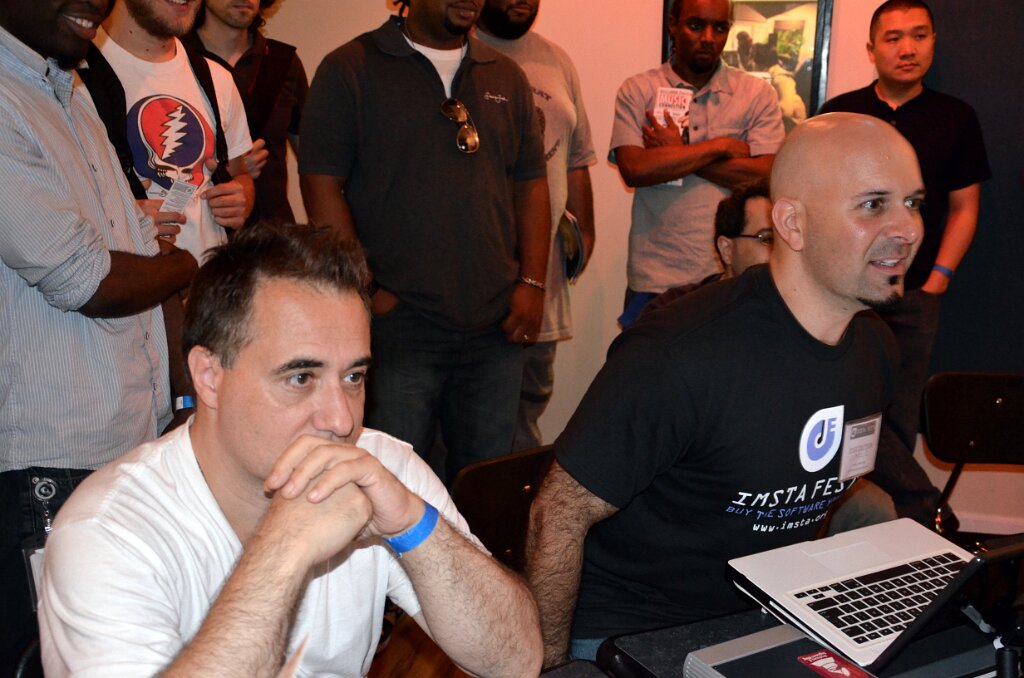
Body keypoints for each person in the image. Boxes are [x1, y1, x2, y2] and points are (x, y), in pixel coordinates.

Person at [38, 223, 543, 677]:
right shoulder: (107, 530)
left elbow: (517, 661)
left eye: (353, 377)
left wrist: (413, 525)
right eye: (301, 377)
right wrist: (283, 551)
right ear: (209, 377)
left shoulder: (380, 466)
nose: (341, 420)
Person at [526, 113, 921, 666]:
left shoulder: (875, 348)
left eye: (913, 203)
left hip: (761, 615)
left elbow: (824, 487)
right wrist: (550, 667)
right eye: (873, 204)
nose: (907, 229)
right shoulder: (680, 354)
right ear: (793, 224)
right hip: (633, 631)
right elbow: (556, 515)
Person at [0, 0, 197, 669]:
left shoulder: (73, 90)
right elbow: (87, 280)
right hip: (42, 461)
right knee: (53, 663)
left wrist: (183, 403)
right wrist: (184, 267)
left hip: (130, 445)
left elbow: (137, 246)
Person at [299, 0, 550, 481]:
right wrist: (367, 290)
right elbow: (321, 183)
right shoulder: (350, 68)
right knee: (390, 484)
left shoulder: (506, 76)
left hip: (495, 329)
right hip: (399, 328)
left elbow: (531, 184)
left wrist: (533, 284)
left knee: (485, 487)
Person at [818, 0, 991, 528]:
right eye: (893, 38)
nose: (907, 48)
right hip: (847, 294)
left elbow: (965, 208)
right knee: (841, 403)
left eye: (918, 35)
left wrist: (938, 279)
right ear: (872, 49)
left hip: (914, 294)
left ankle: (902, 523)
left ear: (933, 42)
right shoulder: (839, 114)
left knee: (900, 412)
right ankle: (905, 513)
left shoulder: (956, 117)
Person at [611, 0, 784, 326]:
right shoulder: (639, 90)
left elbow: (767, 175)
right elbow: (635, 169)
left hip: (731, 277)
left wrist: (678, 152)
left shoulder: (756, 94)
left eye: (720, 28)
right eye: (695, 25)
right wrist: (721, 146)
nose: (708, 37)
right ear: (673, 25)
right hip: (655, 276)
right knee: (648, 360)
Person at [475, 0, 597, 451]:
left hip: (543, 282)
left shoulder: (556, 60)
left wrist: (584, 233)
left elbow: (576, 157)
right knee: (469, 430)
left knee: (525, 419)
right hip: (479, 281)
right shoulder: (460, 54)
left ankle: (512, 500)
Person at [83, 0, 256, 262]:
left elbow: (240, 174)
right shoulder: (75, 76)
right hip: (131, 280)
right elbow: (46, 203)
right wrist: (120, 220)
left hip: (210, 279)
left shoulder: (216, 77)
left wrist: (240, 199)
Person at [189, 0, 308, 222]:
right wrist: (234, 168)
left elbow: (315, 162)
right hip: (199, 230)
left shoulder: (283, 61)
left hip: (273, 232)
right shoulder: (175, 59)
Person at [638, 178, 772, 318]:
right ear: (727, 249)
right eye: (768, 239)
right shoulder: (676, 311)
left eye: (784, 239)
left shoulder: (786, 308)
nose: (781, 252)